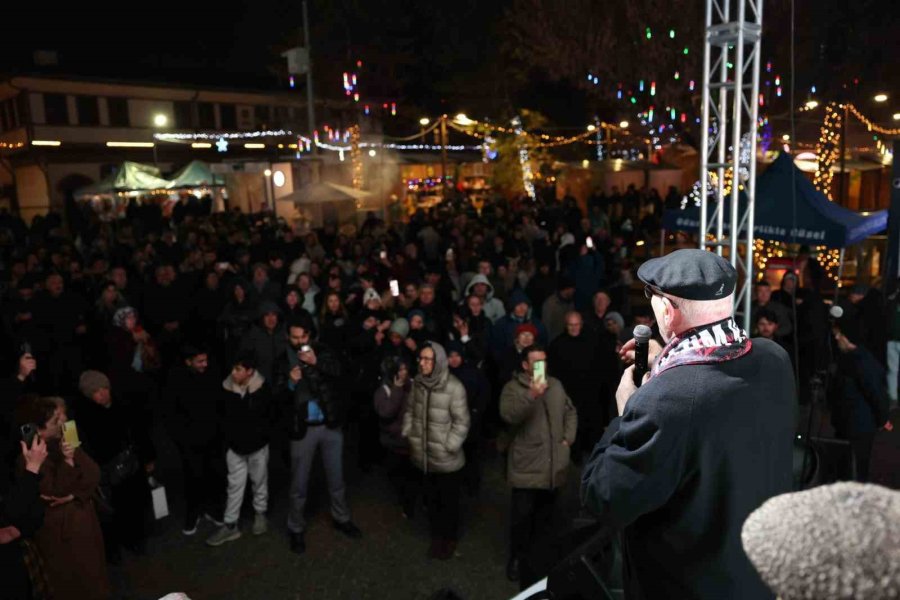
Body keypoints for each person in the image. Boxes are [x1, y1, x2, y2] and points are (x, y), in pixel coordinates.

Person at [581, 249, 796, 599]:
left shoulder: (666, 399)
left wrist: (626, 413)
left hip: (688, 586)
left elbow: (602, 496)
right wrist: (667, 358)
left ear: (667, 311)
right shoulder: (774, 359)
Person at [16, 395, 110, 600]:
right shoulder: (30, 457)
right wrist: (67, 463)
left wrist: (75, 493)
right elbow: (52, 493)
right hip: (61, 535)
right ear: (39, 427)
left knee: (95, 577)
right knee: (74, 582)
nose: (63, 423)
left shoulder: (65, 440)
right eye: (55, 421)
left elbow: (93, 474)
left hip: (83, 522)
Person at [281, 317, 362, 555]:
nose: (299, 342)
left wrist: (317, 363)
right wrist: (290, 383)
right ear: (288, 337)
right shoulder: (283, 359)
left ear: (310, 336)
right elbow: (276, 398)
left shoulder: (323, 352)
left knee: (336, 477)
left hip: (329, 424)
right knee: (299, 483)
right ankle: (295, 527)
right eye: (294, 337)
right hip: (302, 428)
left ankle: (341, 518)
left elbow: (341, 376)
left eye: (303, 337)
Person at [500, 343, 577, 583]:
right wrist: (531, 394)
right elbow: (509, 415)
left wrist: (568, 439)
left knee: (547, 518)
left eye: (544, 362)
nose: (541, 367)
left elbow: (570, 411)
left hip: (553, 464)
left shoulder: (555, 385)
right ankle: (516, 559)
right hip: (526, 466)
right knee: (521, 520)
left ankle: (541, 562)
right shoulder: (513, 388)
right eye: (536, 363)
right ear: (525, 365)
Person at [77, 370, 155, 558]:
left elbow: (140, 433)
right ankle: (128, 540)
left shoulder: (124, 405)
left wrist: (149, 457)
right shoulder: (85, 417)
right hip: (111, 471)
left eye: (105, 388)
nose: (103, 393)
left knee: (138, 502)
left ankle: (138, 538)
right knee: (121, 506)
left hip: (133, 464)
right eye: (97, 391)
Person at [403, 342, 470, 560]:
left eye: (427, 359)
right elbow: (410, 410)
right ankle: (437, 538)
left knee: (449, 504)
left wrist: (448, 446)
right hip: (423, 457)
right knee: (431, 502)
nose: (421, 363)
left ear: (438, 362)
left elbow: (462, 422)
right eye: (420, 358)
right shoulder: (418, 384)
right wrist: (410, 434)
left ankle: (449, 540)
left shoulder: (454, 387)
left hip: (446, 460)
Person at [207, 353, 275, 547]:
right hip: (235, 447)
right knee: (234, 486)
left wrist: (261, 437)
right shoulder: (226, 389)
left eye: (238, 369)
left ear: (249, 371)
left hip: (257, 446)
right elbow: (221, 417)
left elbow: (269, 416)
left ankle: (260, 514)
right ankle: (230, 525)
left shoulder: (262, 389)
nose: (233, 373)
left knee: (259, 481)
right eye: (233, 368)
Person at [165, 345, 225, 535]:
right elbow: (171, 415)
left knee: (214, 475)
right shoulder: (175, 381)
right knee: (193, 478)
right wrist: (182, 441)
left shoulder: (211, 375)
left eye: (205, 360)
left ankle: (213, 509)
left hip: (212, 438)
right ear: (188, 362)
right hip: (190, 443)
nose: (204, 364)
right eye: (200, 361)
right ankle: (194, 513)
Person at [0, 424, 48, 600]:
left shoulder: (7, 467)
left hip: (17, 561)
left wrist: (19, 529)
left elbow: (34, 514)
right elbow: (12, 513)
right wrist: (32, 468)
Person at [373, 356, 417, 518]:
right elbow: (386, 412)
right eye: (400, 370)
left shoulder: (413, 385)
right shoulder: (383, 391)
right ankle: (403, 500)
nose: (403, 373)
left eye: (405, 369)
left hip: (412, 442)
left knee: (412, 478)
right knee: (398, 476)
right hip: (394, 444)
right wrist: (397, 389)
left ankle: (410, 506)